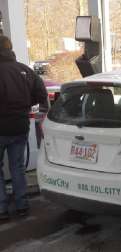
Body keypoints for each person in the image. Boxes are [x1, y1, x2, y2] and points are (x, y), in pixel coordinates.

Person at [0, 35, 48, 220]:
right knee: (17, 167)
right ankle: (22, 206)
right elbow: (41, 93)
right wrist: (27, 103)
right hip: (20, 126)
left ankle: (2, 209)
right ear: (10, 49)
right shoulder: (25, 70)